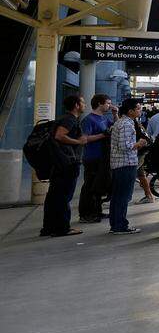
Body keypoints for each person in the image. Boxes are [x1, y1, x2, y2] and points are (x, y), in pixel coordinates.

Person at [40, 95, 88, 237]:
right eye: (82, 102)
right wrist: (79, 142)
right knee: (63, 196)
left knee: (54, 196)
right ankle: (62, 228)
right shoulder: (69, 119)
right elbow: (60, 136)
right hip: (67, 163)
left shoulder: (64, 118)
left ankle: (49, 227)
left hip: (60, 162)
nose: (84, 105)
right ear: (76, 105)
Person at [108, 98, 148, 234]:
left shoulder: (123, 122)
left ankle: (116, 223)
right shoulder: (126, 124)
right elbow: (124, 146)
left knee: (118, 195)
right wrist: (139, 143)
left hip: (120, 164)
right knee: (123, 196)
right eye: (137, 108)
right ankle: (120, 225)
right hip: (125, 164)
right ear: (130, 111)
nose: (140, 110)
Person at [78, 94, 114, 223]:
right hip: (92, 157)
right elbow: (84, 139)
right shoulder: (88, 120)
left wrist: (115, 114)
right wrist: (102, 135)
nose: (109, 106)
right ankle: (85, 213)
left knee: (99, 185)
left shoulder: (104, 118)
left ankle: (97, 211)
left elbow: (115, 126)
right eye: (108, 103)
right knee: (89, 186)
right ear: (99, 103)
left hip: (103, 157)